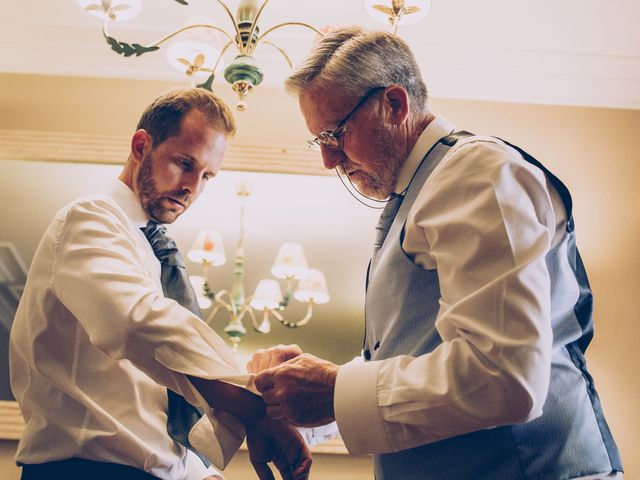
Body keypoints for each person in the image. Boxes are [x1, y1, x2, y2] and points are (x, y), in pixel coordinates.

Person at [248, 26, 624, 479]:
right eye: (320, 141)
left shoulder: (476, 170)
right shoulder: (417, 196)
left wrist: (335, 390)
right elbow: (424, 359)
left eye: (336, 134)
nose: (330, 161)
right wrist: (301, 401)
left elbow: (504, 375)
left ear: (394, 104)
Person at [9, 87, 311, 480]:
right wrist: (254, 409)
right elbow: (140, 326)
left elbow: (152, 397)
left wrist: (198, 473)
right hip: (82, 469)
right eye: (184, 163)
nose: (192, 187)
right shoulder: (90, 218)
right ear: (140, 146)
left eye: (206, 176)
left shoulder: (155, 255)